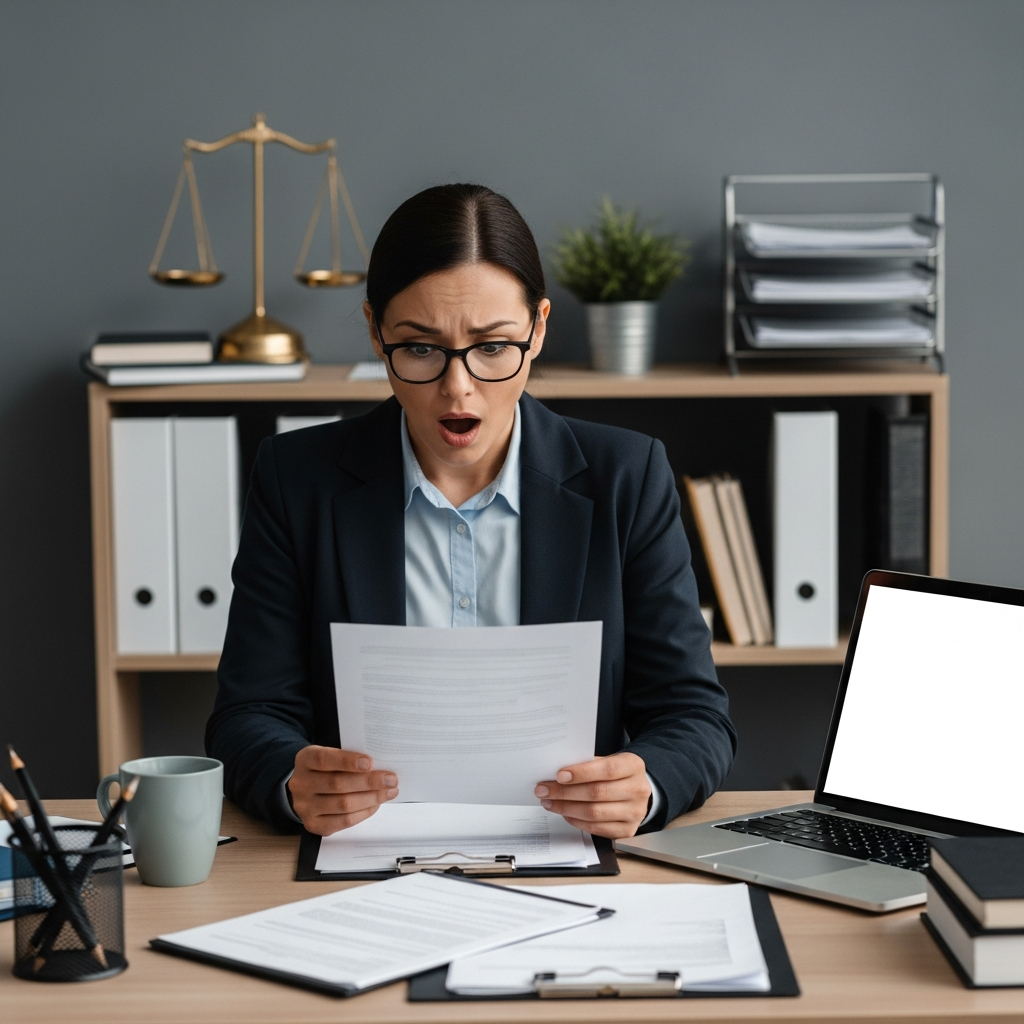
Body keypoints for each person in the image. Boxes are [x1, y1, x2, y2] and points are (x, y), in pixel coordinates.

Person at [207, 183, 736, 840]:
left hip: (564, 851)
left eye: (492, 348)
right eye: (421, 348)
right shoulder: (297, 480)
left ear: (538, 329)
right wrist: (292, 781)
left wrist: (646, 782)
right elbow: (247, 715)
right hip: (362, 858)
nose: (458, 388)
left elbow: (693, 715)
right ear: (376, 332)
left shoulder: (624, 477)